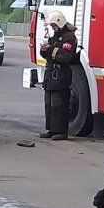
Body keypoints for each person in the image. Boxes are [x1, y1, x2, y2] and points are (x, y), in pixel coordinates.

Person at [39, 10, 77, 141]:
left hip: (61, 74)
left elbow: (65, 56)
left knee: (59, 104)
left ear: (60, 24)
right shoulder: (54, 36)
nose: (53, 28)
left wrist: (50, 49)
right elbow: (48, 53)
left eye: (54, 26)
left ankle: (61, 131)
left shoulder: (69, 38)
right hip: (51, 73)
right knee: (49, 103)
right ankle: (51, 129)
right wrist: (43, 50)